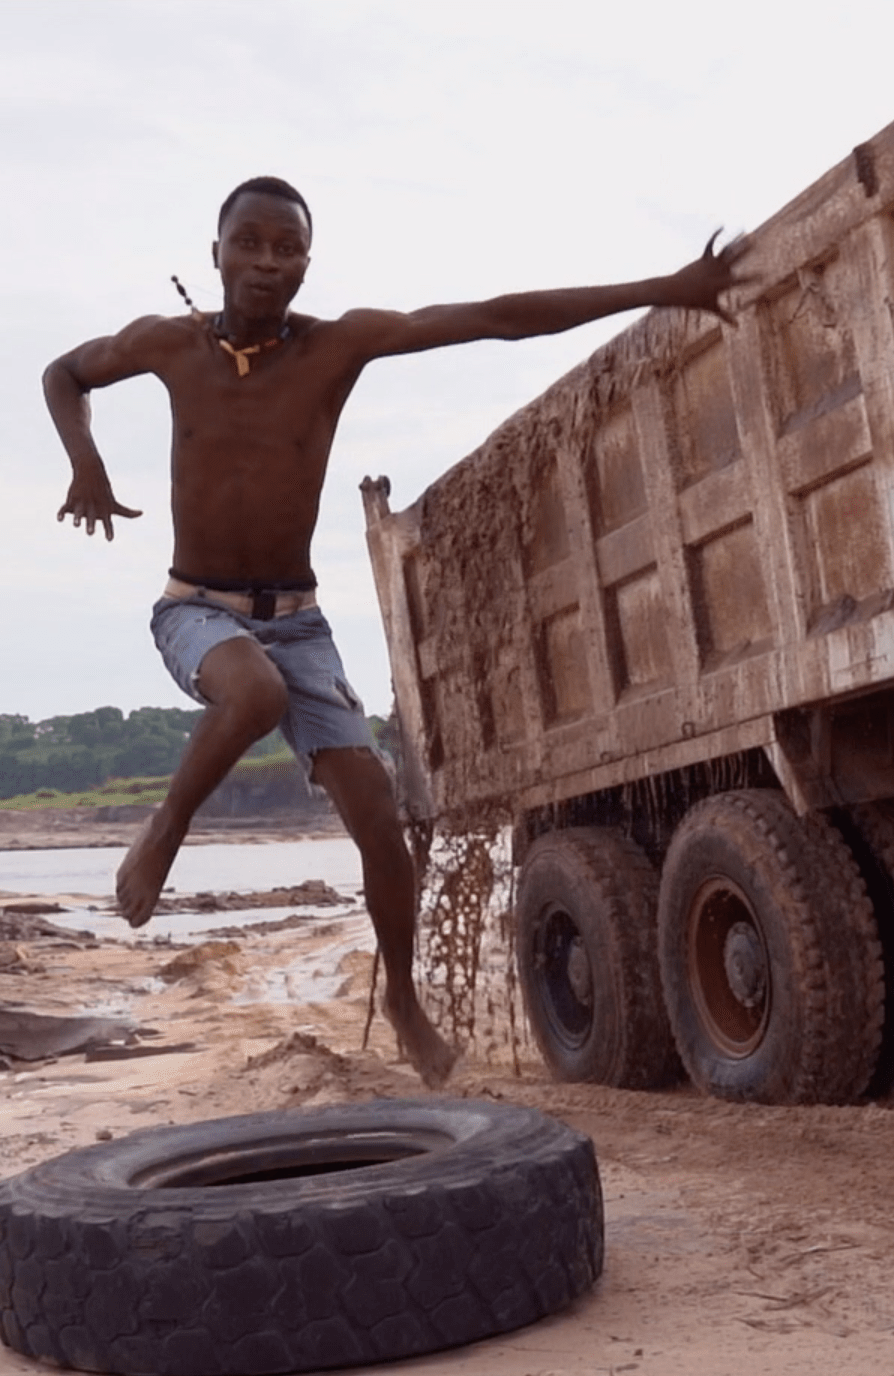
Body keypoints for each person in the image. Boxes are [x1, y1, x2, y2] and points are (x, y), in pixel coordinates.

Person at [43, 175, 739, 1086]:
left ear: (306, 261)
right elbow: (64, 373)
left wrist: (663, 288)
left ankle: (403, 999)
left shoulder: (338, 347)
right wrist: (85, 463)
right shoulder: (166, 346)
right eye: (247, 244)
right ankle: (166, 829)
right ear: (215, 253)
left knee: (378, 817)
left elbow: (492, 316)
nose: (265, 264)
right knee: (251, 694)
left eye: (285, 248)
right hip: (196, 609)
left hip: (299, 621)